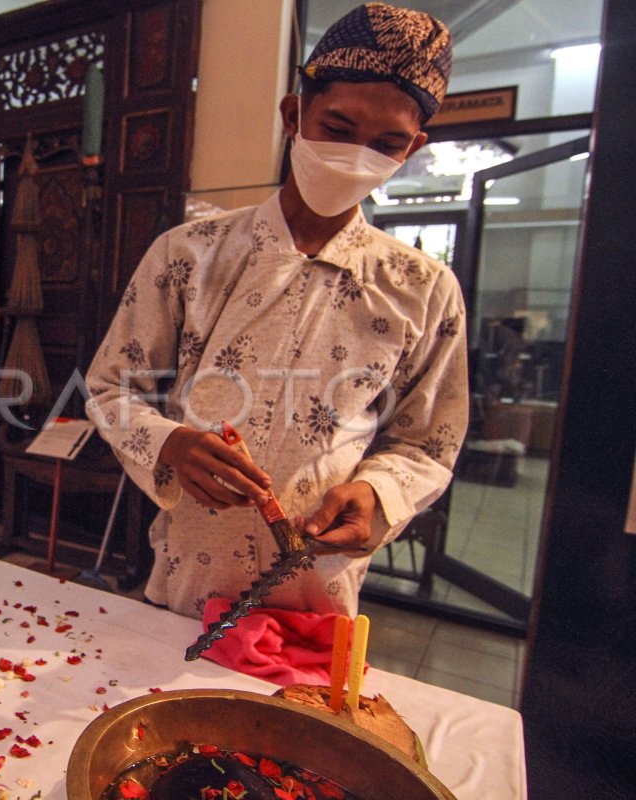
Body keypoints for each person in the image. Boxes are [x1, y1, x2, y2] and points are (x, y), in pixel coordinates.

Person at [85, 3, 467, 619]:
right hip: (188, 577)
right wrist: (171, 443)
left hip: (319, 591)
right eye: (338, 128)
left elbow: (428, 441)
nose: (355, 155)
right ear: (294, 115)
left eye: (387, 143)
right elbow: (109, 388)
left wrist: (377, 492)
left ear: (413, 149)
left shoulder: (422, 287)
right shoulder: (189, 254)